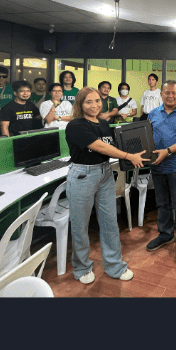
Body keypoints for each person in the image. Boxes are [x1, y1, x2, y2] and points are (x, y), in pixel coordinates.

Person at [64, 88, 147, 284]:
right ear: (80, 105)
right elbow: (100, 146)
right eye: (88, 102)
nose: (94, 105)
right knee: (80, 225)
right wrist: (128, 156)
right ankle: (81, 267)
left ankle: (114, 265)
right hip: (83, 175)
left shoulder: (103, 123)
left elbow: (116, 143)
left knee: (110, 222)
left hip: (104, 173)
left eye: (97, 101)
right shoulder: (76, 125)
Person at [143, 80, 176, 262]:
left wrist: (168, 151)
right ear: (161, 94)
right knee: (162, 203)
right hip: (157, 166)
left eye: (174, 93)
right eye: (167, 93)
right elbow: (147, 137)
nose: (170, 96)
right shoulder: (153, 113)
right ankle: (165, 234)